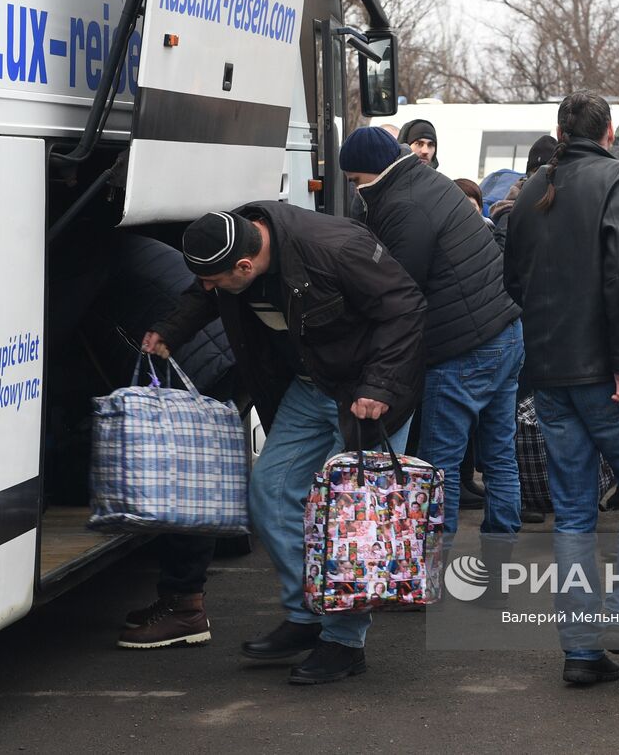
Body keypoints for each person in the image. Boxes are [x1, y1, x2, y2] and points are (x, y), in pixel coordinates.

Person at [142, 203, 426, 684]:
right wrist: (169, 330)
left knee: (349, 523)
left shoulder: (335, 248)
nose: (209, 288)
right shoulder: (234, 240)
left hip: (365, 393)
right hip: (309, 386)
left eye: (217, 280)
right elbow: (203, 292)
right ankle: (309, 615)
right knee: (269, 492)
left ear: (246, 266)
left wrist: (379, 386)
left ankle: (343, 644)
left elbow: (406, 308)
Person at [504, 90, 619, 685]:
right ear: (610, 133)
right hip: (606, 370)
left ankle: (581, 651)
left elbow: (513, 278)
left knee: (574, 512)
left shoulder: (531, 190)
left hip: (550, 370)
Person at [337, 126, 524, 546]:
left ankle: (431, 572)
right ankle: (498, 572)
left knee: (441, 466)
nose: (354, 191)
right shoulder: (427, 181)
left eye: (354, 181)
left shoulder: (403, 206)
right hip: (507, 332)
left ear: (372, 173)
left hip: (461, 348)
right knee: (499, 457)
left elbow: (399, 290)